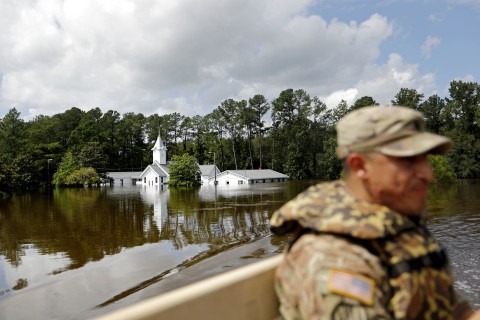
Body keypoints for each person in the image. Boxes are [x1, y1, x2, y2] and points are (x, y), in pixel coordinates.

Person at [270, 105, 479, 319]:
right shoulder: (336, 259)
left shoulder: (397, 228)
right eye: (408, 160)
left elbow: (458, 313)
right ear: (360, 165)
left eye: (425, 158)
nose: (428, 174)